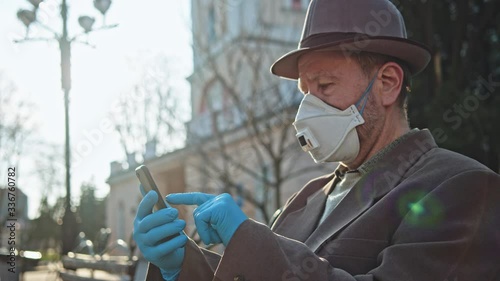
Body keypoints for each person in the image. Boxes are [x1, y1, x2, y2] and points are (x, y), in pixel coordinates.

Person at [133, 0, 500, 280]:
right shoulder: (307, 196)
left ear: (387, 83)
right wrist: (184, 264)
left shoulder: (462, 187)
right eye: (305, 91)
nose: (307, 108)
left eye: (325, 86)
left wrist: (249, 239)